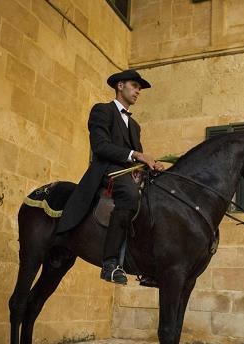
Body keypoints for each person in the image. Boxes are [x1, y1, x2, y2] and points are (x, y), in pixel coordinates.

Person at [57, 69, 164, 284]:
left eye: (139, 88)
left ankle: (148, 264)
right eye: (135, 86)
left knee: (157, 194)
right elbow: (100, 146)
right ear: (120, 86)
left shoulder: (135, 125)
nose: (138, 91)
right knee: (130, 195)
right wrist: (137, 154)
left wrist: (149, 165)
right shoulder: (102, 111)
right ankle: (110, 263)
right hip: (106, 171)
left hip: (128, 173)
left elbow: (136, 159)